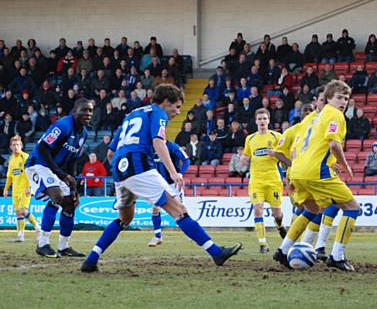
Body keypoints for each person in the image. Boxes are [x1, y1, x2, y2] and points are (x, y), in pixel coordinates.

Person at [81, 84, 242, 272]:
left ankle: (91, 259)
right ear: (166, 102)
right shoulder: (158, 112)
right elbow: (158, 141)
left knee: (125, 218)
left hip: (119, 167)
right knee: (179, 210)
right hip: (138, 163)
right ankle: (216, 253)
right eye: (177, 106)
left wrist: (124, 176)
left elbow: (110, 153)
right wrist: (173, 172)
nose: (178, 111)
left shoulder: (131, 115)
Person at [273, 80, 361, 271]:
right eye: (339, 97)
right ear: (328, 99)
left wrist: (328, 163)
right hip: (315, 172)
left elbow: (302, 146)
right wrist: (345, 166)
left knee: (312, 210)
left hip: (297, 172)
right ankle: (337, 256)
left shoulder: (311, 119)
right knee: (352, 208)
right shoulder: (335, 115)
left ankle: (283, 250)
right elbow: (333, 144)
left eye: (346, 98)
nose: (343, 102)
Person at [24, 98, 92, 258]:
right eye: (84, 110)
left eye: (90, 110)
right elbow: (43, 148)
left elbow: (73, 160)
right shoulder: (63, 125)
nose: (88, 113)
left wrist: (74, 187)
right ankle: (42, 244)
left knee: (70, 204)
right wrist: (61, 174)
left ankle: (64, 247)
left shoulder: (84, 133)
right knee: (57, 196)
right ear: (74, 112)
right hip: (38, 164)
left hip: (57, 169)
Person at [241, 109, 286, 253]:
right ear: (256, 121)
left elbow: (286, 156)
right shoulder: (250, 139)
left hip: (273, 180)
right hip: (256, 180)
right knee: (258, 209)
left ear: (268, 120)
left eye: (264, 118)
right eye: (259, 118)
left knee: (277, 214)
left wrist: (277, 154)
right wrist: (243, 159)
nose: (262, 121)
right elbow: (246, 156)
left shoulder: (276, 136)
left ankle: (279, 226)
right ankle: (263, 243)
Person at [3, 135, 40, 242]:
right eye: (14, 145)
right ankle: (20, 235)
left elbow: (33, 173)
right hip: (15, 190)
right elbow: (9, 176)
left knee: (23, 210)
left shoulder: (26, 157)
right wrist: (6, 189)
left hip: (25, 189)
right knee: (18, 212)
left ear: (21, 146)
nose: (16, 147)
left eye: (18, 145)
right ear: (10, 147)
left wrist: (29, 187)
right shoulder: (11, 159)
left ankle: (38, 228)